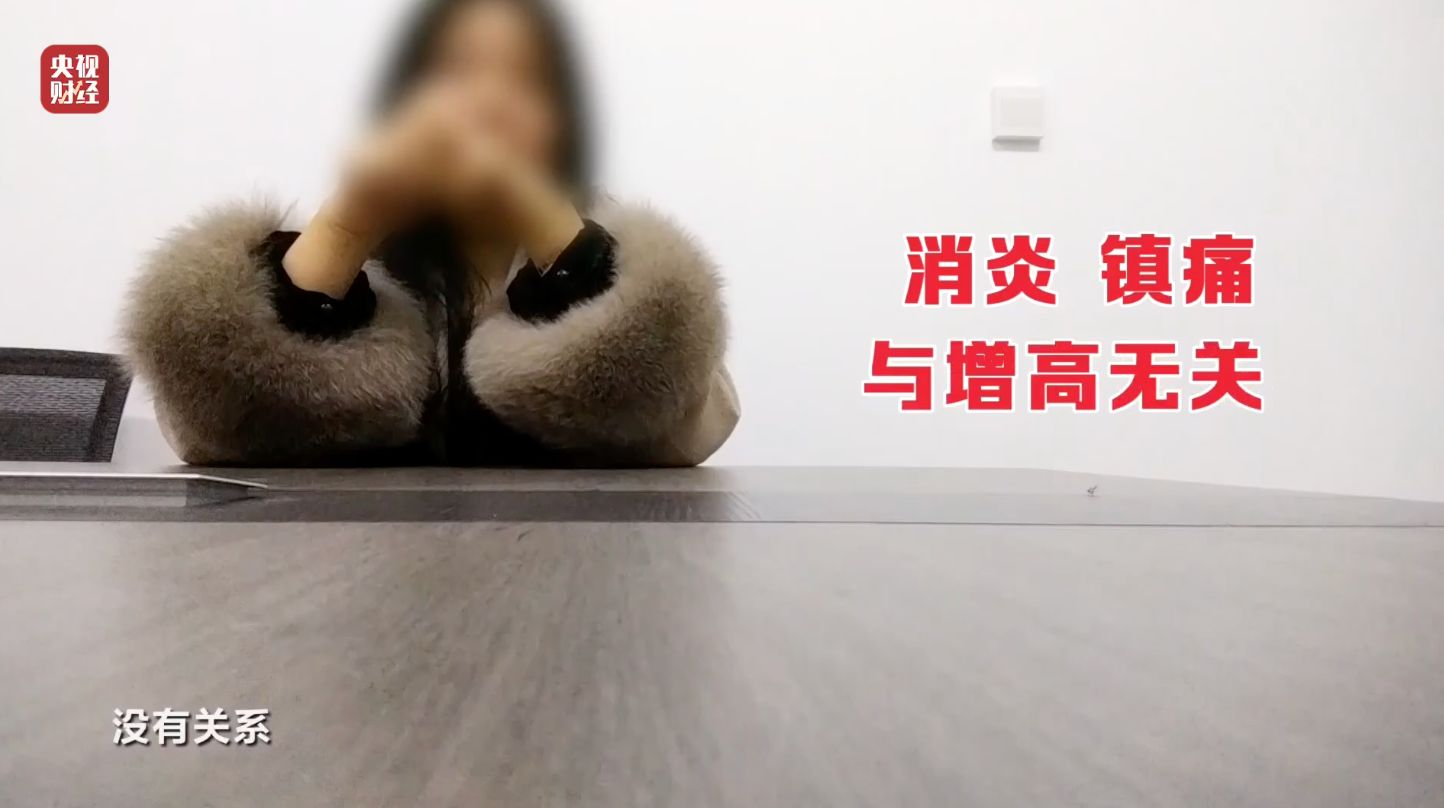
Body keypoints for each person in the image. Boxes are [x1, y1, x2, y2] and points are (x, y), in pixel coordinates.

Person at [122, 0, 738, 467]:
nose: (488, 102)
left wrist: (542, 217)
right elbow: (204, 434)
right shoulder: (356, 261)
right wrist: (348, 223)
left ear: (561, 118)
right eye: (456, 75)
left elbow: (693, 427)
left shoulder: (611, 257)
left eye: (526, 79)